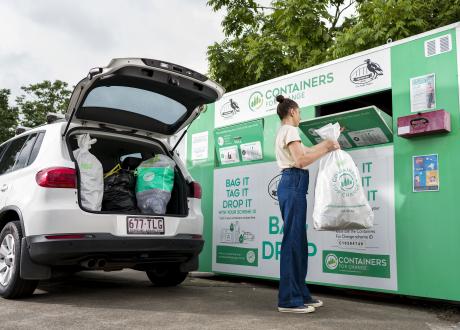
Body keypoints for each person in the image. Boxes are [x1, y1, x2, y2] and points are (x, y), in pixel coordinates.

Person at [274, 95, 340, 314]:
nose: (301, 116)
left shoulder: (285, 132)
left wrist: (326, 145)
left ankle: (300, 293)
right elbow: (301, 160)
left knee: (299, 242)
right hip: (293, 183)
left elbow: (305, 153)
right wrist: (328, 147)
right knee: (293, 242)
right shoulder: (290, 130)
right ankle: (288, 300)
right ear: (292, 111)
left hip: (294, 184)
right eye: (300, 112)